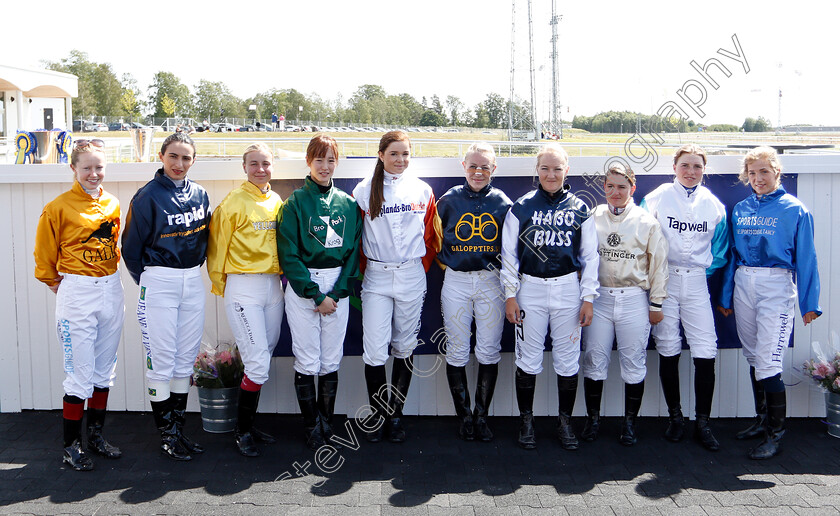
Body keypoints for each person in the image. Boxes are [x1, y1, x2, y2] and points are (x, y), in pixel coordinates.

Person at [718, 146, 821, 460]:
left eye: (764, 171)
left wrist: (809, 303)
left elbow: (807, 258)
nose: (758, 178)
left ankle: (775, 435)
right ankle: (762, 421)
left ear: (777, 172)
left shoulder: (795, 210)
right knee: (753, 356)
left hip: (776, 285)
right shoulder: (741, 208)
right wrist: (725, 295)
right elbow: (731, 256)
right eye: (752, 173)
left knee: (768, 363)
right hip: (743, 283)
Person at [500, 143, 599, 450]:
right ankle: (527, 421)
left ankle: (564, 422)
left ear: (566, 170)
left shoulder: (580, 208)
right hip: (530, 288)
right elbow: (509, 255)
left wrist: (588, 298)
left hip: (568, 289)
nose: (551, 174)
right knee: (528, 359)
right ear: (537, 170)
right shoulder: (522, 206)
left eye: (557, 168)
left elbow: (590, 256)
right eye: (545, 168)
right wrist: (510, 295)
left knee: (568, 361)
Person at [34, 138, 124, 471]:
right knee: (78, 375)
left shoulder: (113, 203)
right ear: (73, 169)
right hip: (77, 291)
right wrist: (61, 285)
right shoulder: (58, 207)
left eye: (99, 167)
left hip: (111, 288)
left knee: (104, 371)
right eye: (86, 168)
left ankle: (96, 438)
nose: (94, 174)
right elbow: (44, 258)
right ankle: (71, 446)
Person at [121, 132, 211, 461]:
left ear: (193, 161)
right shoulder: (146, 197)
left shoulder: (200, 195)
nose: (179, 163)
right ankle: (166, 436)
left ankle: (179, 431)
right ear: (161, 156)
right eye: (173, 156)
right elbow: (130, 251)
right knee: (161, 363)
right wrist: (147, 281)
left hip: (192, 281)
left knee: (184, 362)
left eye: (186, 158)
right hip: (158, 281)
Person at [640, 144, 729, 451]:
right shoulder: (655, 198)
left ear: (704, 170)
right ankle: (676, 418)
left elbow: (719, 252)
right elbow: (641, 241)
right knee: (668, 347)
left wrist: (698, 275)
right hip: (664, 283)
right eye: (685, 165)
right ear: (674, 167)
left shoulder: (714, 205)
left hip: (696, 284)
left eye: (697, 167)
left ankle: (702, 423)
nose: (691, 172)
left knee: (706, 350)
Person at [352, 130, 439, 443]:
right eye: (394, 154)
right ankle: (377, 413)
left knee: (404, 345)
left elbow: (430, 238)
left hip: (411, 276)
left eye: (405, 154)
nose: (400, 160)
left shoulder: (422, 190)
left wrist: (417, 269)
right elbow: (356, 241)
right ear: (381, 156)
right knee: (374, 350)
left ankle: (395, 414)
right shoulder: (363, 192)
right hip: (376, 277)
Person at [277, 134, 363, 450]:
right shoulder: (294, 204)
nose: (325, 166)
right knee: (307, 358)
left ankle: (327, 423)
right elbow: (289, 255)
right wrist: (315, 295)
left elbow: (353, 252)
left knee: (330, 359)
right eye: (319, 160)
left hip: (337, 285)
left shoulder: (349, 204)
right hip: (304, 289)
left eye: (330, 160)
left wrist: (337, 293)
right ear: (309, 161)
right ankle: (311, 425)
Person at [581, 163, 668, 445]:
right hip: (600, 298)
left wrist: (656, 303)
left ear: (632, 187)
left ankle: (629, 424)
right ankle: (593, 421)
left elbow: (658, 266)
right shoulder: (592, 217)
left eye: (621, 186)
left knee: (633, 362)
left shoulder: (647, 222)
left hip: (633, 299)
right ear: (603, 187)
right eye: (610, 186)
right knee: (594, 360)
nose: (615, 192)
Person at [207, 143, 284, 457]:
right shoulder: (233, 202)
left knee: (262, 357)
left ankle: (248, 424)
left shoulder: (276, 200)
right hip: (244, 288)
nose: (260, 169)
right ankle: (241, 432)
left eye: (265, 163)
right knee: (258, 362)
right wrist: (223, 286)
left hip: (272, 287)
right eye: (254, 164)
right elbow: (216, 248)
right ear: (244, 167)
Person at [434, 142, 511, 441]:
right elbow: (433, 239)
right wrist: (450, 266)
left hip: (491, 281)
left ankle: (481, 415)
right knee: (457, 349)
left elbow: (512, 248)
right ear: (463, 166)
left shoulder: (503, 202)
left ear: (494, 169)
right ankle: (464, 415)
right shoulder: (449, 200)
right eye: (473, 166)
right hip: (456, 281)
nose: (478, 172)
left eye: (485, 167)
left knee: (489, 349)